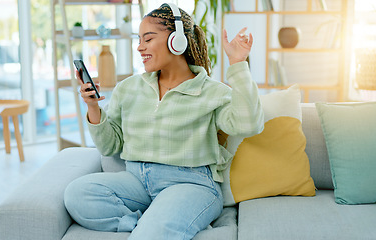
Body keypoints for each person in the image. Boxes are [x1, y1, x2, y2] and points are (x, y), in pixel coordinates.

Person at [64, 3, 264, 240]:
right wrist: (93, 107)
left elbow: (249, 124)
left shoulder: (212, 91)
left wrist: (238, 64)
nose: (140, 47)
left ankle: (162, 223)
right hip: (136, 181)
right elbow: (110, 146)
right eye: (139, 40)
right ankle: (148, 223)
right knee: (77, 193)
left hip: (190, 184)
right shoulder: (128, 88)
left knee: (152, 234)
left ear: (176, 40)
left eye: (148, 39)